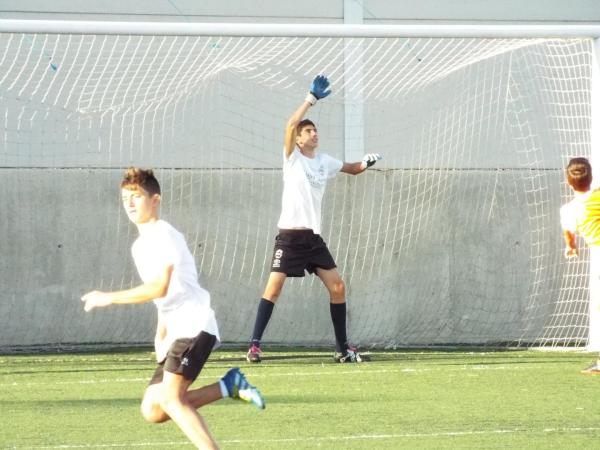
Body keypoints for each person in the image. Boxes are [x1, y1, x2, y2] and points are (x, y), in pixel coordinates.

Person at [82, 168, 265, 449]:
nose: (129, 203)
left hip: (194, 325)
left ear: (155, 200)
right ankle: (229, 385)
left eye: (136, 196)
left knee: (170, 399)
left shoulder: (164, 234)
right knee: (153, 410)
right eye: (124, 198)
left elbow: (159, 287)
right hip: (176, 329)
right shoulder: (139, 245)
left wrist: (109, 297)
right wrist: (161, 333)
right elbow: (163, 298)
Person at [246, 74, 382, 364]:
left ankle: (342, 349)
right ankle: (255, 345)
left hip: (313, 238)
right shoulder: (292, 158)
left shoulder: (325, 162)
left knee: (338, 287)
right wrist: (311, 100)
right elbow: (289, 124)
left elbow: (352, 168)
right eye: (308, 131)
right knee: (274, 287)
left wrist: (366, 163)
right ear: (298, 139)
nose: (313, 134)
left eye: (315, 130)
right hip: (290, 236)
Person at [560, 157, 600, 374]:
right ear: (591, 178)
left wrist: (571, 247)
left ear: (568, 183)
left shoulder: (570, 210)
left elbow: (569, 236)